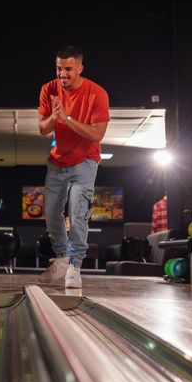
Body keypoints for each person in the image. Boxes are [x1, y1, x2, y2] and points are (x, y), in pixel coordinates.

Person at [37, 46, 109, 289]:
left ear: (80, 68)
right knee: (50, 213)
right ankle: (62, 258)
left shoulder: (96, 94)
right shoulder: (48, 89)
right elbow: (43, 128)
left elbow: (97, 134)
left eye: (68, 69)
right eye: (59, 68)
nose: (62, 74)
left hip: (86, 160)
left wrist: (67, 118)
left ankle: (75, 266)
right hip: (57, 161)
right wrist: (54, 117)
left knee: (77, 214)